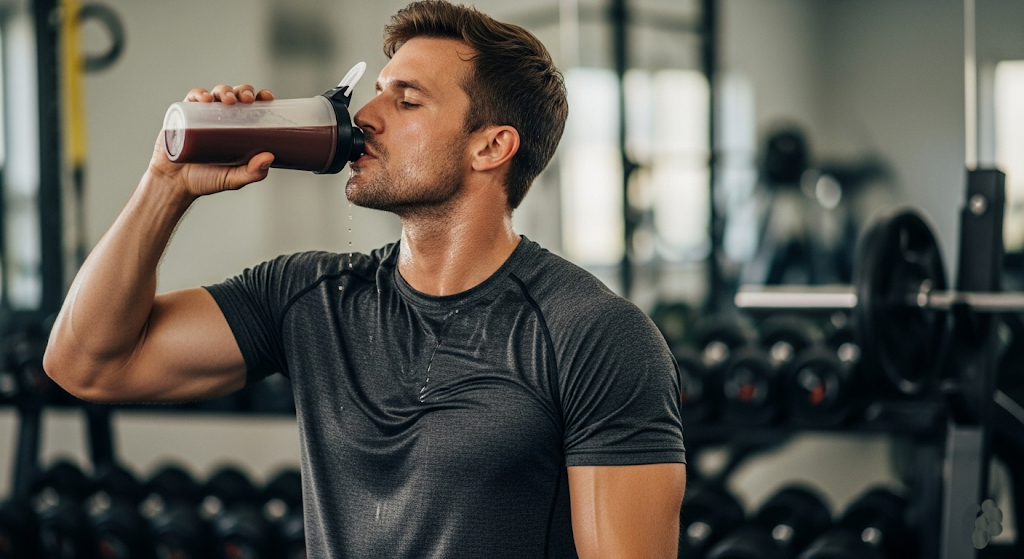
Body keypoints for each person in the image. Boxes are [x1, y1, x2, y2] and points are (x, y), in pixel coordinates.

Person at [43, 1, 687, 557]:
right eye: (377, 91)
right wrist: (166, 184)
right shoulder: (309, 297)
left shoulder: (593, 336)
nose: (368, 115)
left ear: (491, 147)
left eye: (406, 100)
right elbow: (87, 365)